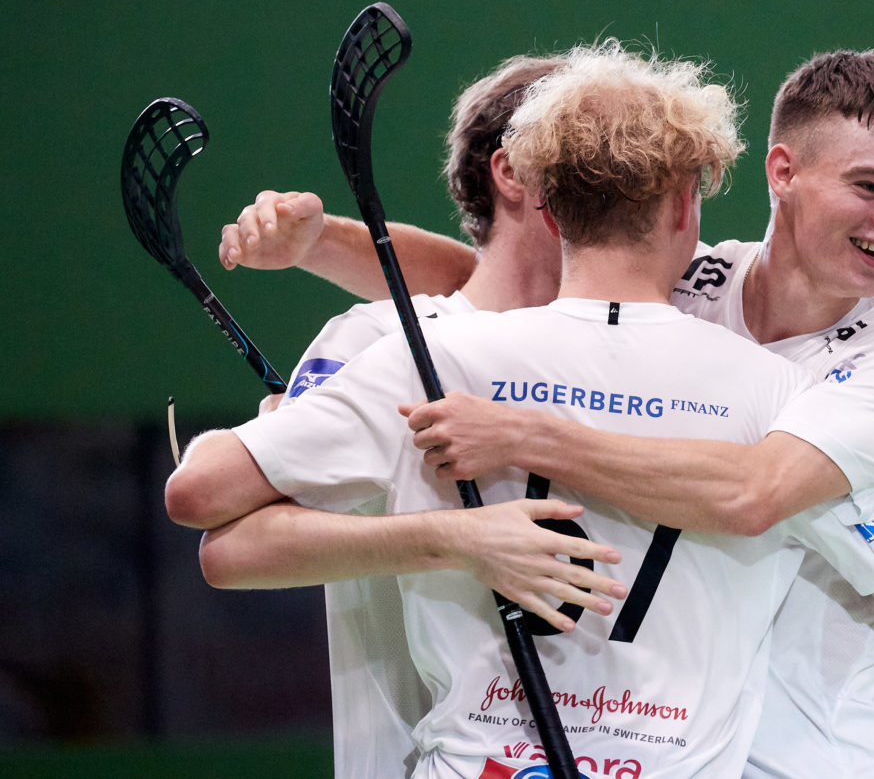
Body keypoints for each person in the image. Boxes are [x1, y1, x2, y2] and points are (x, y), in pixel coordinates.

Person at [169, 41, 874, 777]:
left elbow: (760, 494)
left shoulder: (433, 363)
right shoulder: (757, 361)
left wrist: (520, 437)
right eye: (871, 186)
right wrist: (322, 243)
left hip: (815, 752)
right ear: (687, 205)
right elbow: (473, 277)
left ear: (549, 202)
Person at [194, 54, 629, 779]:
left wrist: (326, 240)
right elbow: (229, 547)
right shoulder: (376, 344)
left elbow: (484, 290)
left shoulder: (646, 338)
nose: (628, 183)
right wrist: (455, 539)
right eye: (595, 160)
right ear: (512, 174)